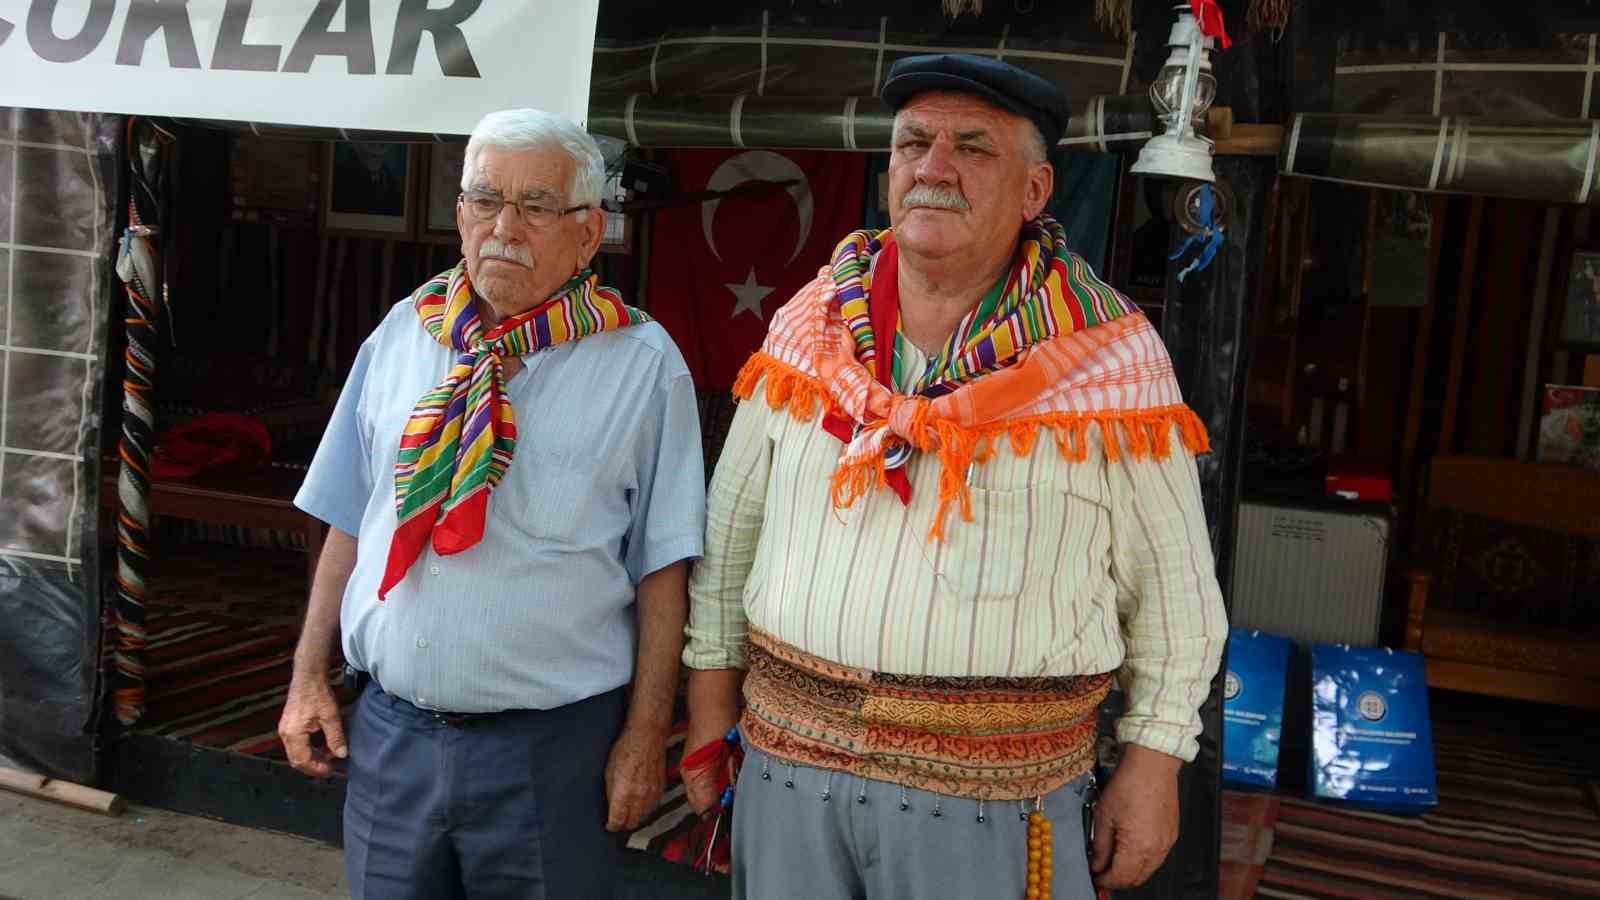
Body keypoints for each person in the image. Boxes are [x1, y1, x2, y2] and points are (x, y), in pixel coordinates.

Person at [680, 54, 1228, 900]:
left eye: (972, 148)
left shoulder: (1113, 359)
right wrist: (712, 716)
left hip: (1001, 809)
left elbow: (1179, 598)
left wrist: (1154, 765)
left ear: (1037, 190)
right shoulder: (809, 329)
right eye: (913, 143)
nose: (933, 168)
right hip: (785, 780)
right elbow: (728, 542)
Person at [278, 108, 706, 899]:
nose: (504, 227)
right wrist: (308, 673)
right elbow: (349, 517)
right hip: (392, 739)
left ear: (588, 231)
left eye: (536, 206)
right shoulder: (404, 334)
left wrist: (648, 736)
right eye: (485, 200)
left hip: (551, 751)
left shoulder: (643, 365)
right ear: (460, 216)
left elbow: (663, 569)